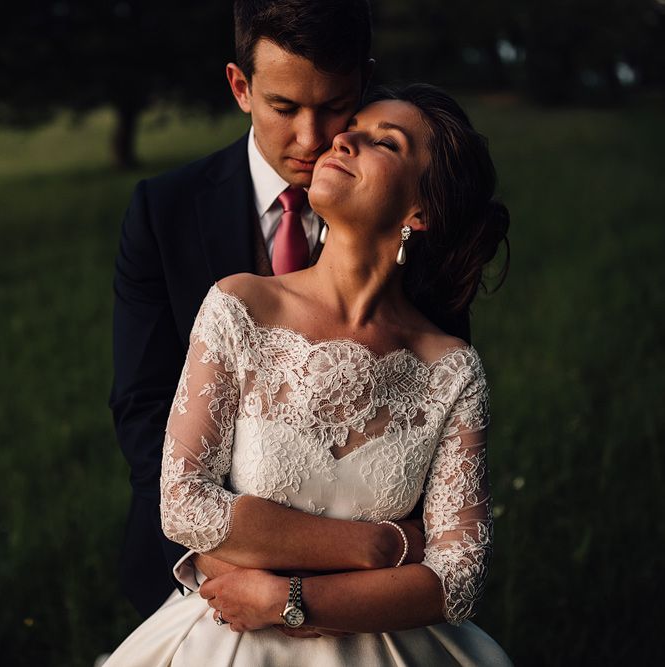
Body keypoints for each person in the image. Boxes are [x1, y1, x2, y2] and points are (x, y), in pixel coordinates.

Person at [104, 84, 512, 666]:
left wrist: (288, 599)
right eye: (354, 129)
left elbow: (458, 579)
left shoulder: (450, 369)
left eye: (384, 142)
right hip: (230, 639)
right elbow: (184, 503)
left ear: (420, 212)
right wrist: (380, 545)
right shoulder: (239, 306)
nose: (340, 137)